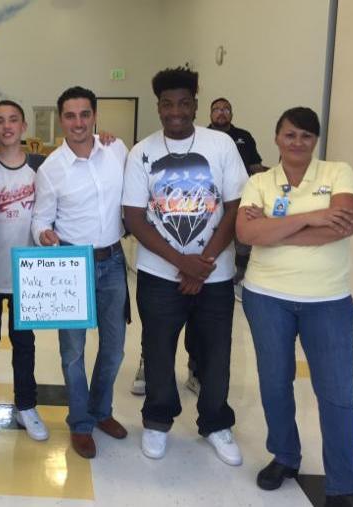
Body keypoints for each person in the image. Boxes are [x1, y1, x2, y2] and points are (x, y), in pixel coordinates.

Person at [237, 107, 353, 506]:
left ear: (316, 140)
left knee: (336, 392)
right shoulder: (260, 181)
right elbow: (246, 232)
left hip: (327, 300)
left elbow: (346, 224)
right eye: (290, 134)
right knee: (275, 383)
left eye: (306, 136)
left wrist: (273, 230)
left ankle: (343, 483)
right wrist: (316, 217)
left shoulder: (337, 173)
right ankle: (285, 456)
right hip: (266, 297)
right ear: (277, 137)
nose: (297, 142)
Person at [122, 67, 247, 465]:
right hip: (159, 276)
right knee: (157, 351)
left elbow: (235, 207)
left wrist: (203, 263)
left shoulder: (221, 145)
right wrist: (182, 263)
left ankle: (215, 422)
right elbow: (134, 217)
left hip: (215, 275)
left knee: (216, 353)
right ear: (158, 107)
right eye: (167, 104)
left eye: (183, 103)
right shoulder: (141, 152)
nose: (175, 111)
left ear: (195, 105)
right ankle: (157, 421)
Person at [31, 86, 129, 460]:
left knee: (114, 348)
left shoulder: (116, 151)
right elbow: (41, 219)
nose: (78, 123)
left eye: (84, 114)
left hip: (114, 261)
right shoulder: (51, 168)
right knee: (73, 352)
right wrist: (43, 234)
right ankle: (81, 422)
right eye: (70, 116)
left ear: (95, 116)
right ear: (61, 120)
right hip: (72, 265)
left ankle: (102, 411)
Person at [0, 100, 48, 444]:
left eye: (13, 119)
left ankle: (26, 405)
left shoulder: (41, 167)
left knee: (25, 343)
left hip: (26, 276)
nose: (7, 126)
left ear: (24, 126)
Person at [209, 97, 268, 300]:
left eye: (226, 109)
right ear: (210, 114)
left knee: (242, 238)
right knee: (214, 235)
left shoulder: (244, 136)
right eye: (217, 109)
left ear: (232, 114)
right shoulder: (203, 136)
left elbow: (256, 167)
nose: (221, 112)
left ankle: (240, 276)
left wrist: (275, 177)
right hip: (212, 198)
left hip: (242, 196)